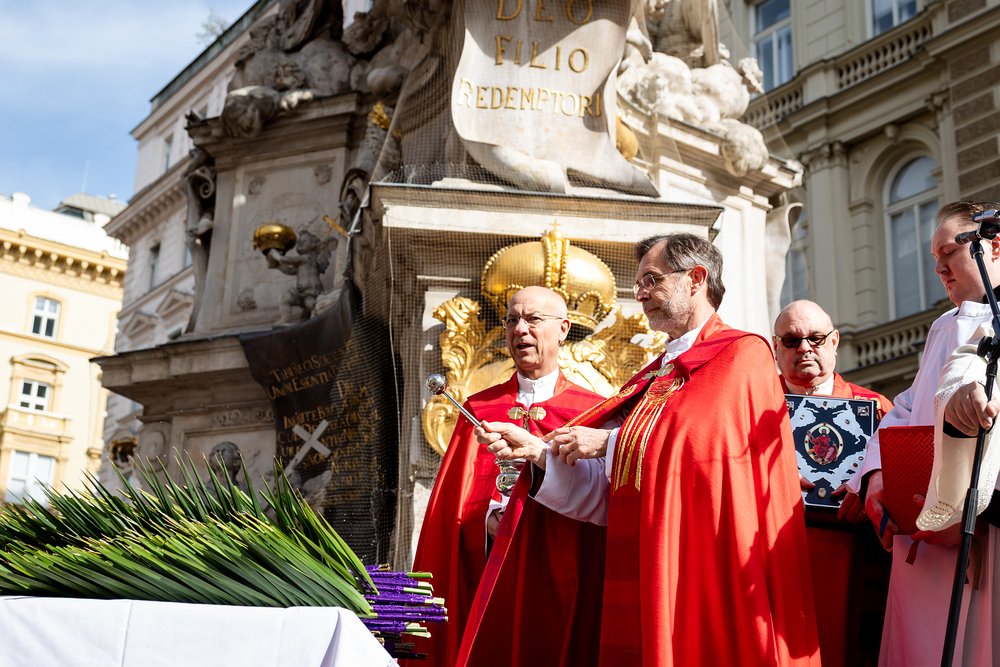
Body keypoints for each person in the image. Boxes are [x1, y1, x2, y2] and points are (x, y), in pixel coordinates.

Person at [472, 234, 820, 666]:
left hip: (708, 568)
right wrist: (539, 454)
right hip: (650, 561)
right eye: (639, 284)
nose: (639, 294)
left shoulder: (741, 354)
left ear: (696, 279)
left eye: (652, 280)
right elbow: (609, 493)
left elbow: (705, 456)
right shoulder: (652, 376)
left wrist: (609, 442)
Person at [409, 286, 606, 667]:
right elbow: (453, 506)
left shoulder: (592, 413)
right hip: (490, 570)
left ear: (563, 329)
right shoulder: (479, 409)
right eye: (512, 320)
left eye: (533, 319)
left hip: (562, 573)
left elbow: (602, 504)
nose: (520, 329)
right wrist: (487, 522)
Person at [846, 201, 1000, 666]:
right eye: (934, 258)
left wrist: (970, 509)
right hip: (919, 534)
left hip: (981, 533)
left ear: (993, 246)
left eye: (948, 253)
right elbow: (907, 409)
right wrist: (876, 476)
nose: (938, 269)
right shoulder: (942, 327)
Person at [774, 300, 894, 666]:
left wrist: (872, 482)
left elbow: (905, 481)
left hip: (849, 555)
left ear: (835, 341)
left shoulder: (877, 408)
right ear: (776, 347)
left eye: (816, 338)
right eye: (792, 340)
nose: (805, 348)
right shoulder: (749, 408)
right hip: (771, 557)